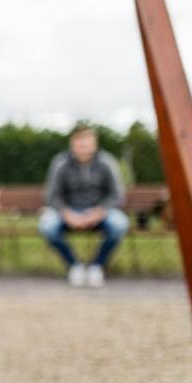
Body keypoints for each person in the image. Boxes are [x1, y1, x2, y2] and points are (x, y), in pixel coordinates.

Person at [38, 123, 129, 288]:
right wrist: (67, 214)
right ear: (72, 144)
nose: (83, 148)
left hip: (101, 211)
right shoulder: (60, 163)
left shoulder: (107, 162)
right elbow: (52, 196)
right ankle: (75, 266)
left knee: (119, 224)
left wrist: (98, 212)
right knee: (47, 226)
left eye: (86, 144)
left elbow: (116, 195)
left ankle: (96, 266)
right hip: (68, 211)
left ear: (94, 144)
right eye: (79, 144)